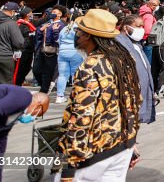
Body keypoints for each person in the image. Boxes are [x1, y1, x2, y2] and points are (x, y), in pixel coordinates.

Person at [58, 9, 143, 181]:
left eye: (78, 31)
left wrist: (70, 162)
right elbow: (133, 102)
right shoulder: (124, 60)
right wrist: (131, 142)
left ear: (88, 36)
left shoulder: (90, 66)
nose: (75, 34)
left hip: (94, 153)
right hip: (122, 147)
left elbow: (82, 115)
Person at [0, 86, 50, 182]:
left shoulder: (13, 115)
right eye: (38, 114)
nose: (33, 117)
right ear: (39, 106)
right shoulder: (24, 97)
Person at [115, 14, 156, 124]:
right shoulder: (119, 43)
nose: (141, 29)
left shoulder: (136, 44)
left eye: (142, 26)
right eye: (138, 26)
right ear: (125, 27)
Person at [56, 15, 83, 104]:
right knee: (75, 74)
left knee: (62, 75)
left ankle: (59, 96)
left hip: (62, 52)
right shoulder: (79, 28)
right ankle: (76, 95)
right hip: (75, 51)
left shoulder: (65, 28)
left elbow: (59, 41)